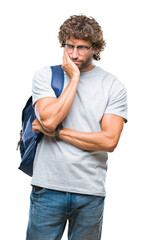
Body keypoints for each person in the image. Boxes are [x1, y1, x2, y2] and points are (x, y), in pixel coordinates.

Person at [26, 15, 127, 240]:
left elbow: (109, 141)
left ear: (95, 48)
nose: (73, 54)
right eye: (69, 46)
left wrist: (59, 133)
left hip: (90, 191)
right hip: (48, 188)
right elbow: (50, 120)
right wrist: (74, 79)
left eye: (82, 47)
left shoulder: (113, 86)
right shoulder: (45, 76)